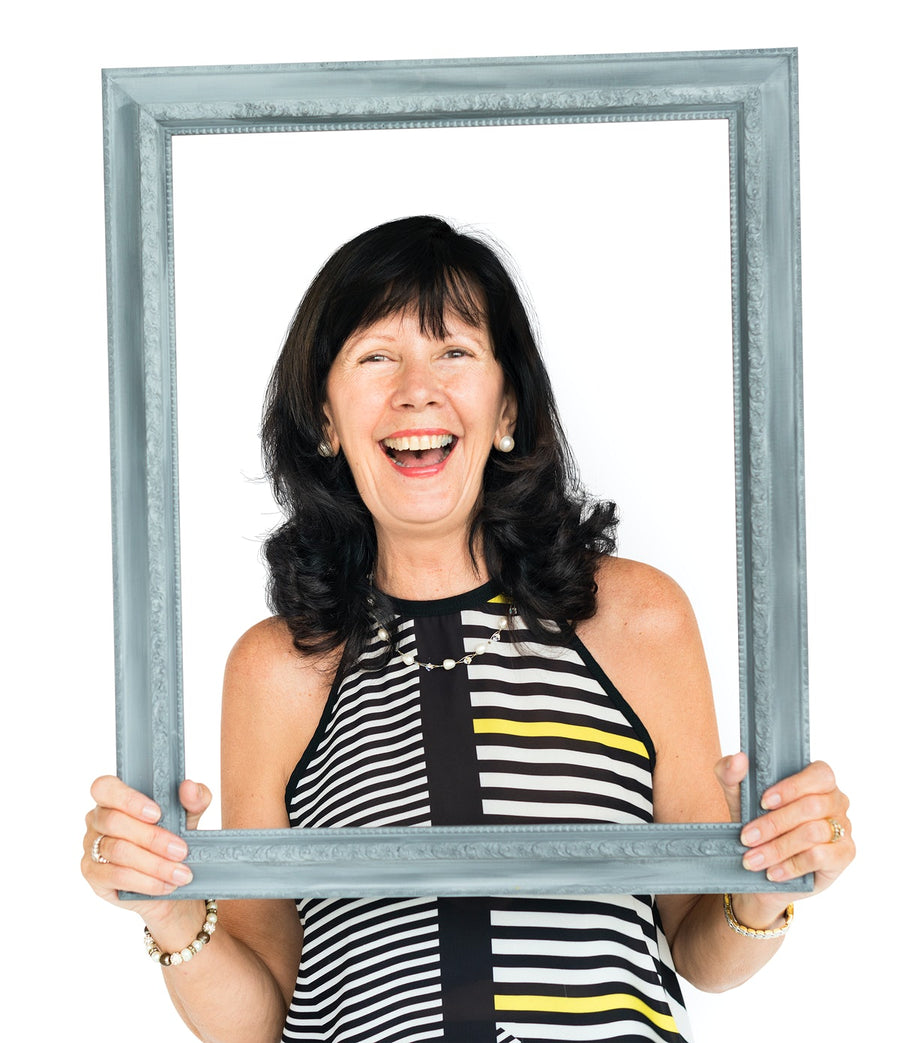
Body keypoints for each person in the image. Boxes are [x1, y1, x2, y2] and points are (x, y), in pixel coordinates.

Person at [82, 216, 854, 1043]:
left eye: (454, 352)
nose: (418, 388)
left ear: (508, 406)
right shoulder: (279, 670)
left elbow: (701, 943)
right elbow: (261, 1012)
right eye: (377, 356)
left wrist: (770, 879)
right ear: (326, 419)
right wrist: (166, 908)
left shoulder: (638, 619)